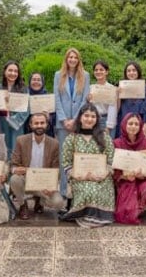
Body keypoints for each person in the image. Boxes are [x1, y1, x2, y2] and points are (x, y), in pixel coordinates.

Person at [60, 103, 115, 228]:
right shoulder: (71, 139)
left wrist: (102, 175)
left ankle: (98, 216)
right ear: (80, 117)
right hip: (79, 177)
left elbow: (110, 161)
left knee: (97, 190)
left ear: (97, 119)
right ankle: (83, 214)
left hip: (101, 178)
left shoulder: (104, 137)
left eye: (93, 116)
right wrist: (78, 175)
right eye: (86, 116)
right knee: (86, 190)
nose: (89, 119)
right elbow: (66, 162)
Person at [9, 112, 66, 220]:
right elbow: (13, 164)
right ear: (30, 125)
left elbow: (56, 168)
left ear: (47, 125)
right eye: (36, 123)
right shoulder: (21, 140)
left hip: (44, 181)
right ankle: (22, 205)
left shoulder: (54, 143)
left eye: (42, 123)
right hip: (25, 179)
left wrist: (52, 185)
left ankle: (39, 201)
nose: (39, 125)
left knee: (58, 203)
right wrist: (15, 169)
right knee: (14, 179)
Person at [54, 48, 90, 196]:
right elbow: (57, 98)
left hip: (78, 122)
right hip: (62, 123)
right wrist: (64, 120)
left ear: (79, 59)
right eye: (70, 57)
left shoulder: (85, 76)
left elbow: (84, 99)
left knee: (77, 155)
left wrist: (75, 120)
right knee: (64, 157)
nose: (73, 60)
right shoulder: (58, 75)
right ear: (66, 59)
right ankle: (63, 190)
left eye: (75, 57)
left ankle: (77, 190)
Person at [112, 113, 146, 224]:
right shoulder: (117, 143)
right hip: (124, 180)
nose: (133, 126)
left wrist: (143, 175)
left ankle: (142, 209)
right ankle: (134, 209)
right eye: (130, 123)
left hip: (142, 179)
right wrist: (124, 176)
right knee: (127, 210)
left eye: (136, 124)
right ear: (124, 125)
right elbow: (114, 169)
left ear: (140, 126)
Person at [0, 60, 29, 159]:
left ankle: (14, 173)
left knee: (15, 149)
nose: (13, 73)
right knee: (2, 149)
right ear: (5, 72)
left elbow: (27, 108)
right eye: (10, 70)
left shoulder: (23, 89)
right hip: (1, 123)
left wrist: (14, 120)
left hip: (17, 125)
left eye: (15, 71)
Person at [116, 61, 146, 139]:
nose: (131, 73)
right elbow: (117, 109)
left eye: (134, 70)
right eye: (129, 71)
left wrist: (145, 124)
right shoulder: (121, 87)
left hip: (139, 123)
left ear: (138, 72)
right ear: (125, 73)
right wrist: (118, 95)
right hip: (123, 122)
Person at [88, 60, 118, 139]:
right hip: (93, 120)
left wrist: (108, 126)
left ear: (106, 72)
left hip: (107, 120)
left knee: (107, 147)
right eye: (96, 70)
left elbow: (113, 108)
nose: (98, 72)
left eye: (101, 70)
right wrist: (87, 100)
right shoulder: (90, 88)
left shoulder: (112, 88)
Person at [25, 72, 56, 137]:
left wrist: (49, 117)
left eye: (39, 80)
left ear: (42, 83)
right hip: (28, 132)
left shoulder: (48, 98)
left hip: (46, 133)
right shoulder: (25, 97)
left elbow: (54, 118)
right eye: (34, 79)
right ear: (30, 82)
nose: (36, 82)